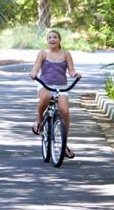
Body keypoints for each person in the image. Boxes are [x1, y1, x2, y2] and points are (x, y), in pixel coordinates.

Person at [30, 28, 80, 159]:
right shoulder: (43, 53)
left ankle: (64, 144)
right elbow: (35, 68)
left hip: (61, 87)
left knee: (65, 111)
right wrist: (33, 73)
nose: (52, 39)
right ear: (47, 41)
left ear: (59, 40)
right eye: (50, 38)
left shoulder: (66, 54)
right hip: (45, 84)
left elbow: (71, 71)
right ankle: (39, 118)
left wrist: (75, 75)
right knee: (45, 97)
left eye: (55, 37)